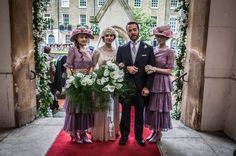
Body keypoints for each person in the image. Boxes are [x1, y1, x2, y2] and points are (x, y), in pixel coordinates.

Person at [116, 21, 155, 146]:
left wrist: (147, 87)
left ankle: (139, 137)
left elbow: (151, 69)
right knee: (125, 113)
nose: (133, 32)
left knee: (139, 114)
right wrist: (126, 67)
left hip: (141, 87)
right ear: (127, 32)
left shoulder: (148, 48)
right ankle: (124, 136)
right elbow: (117, 65)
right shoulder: (122, 48)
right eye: (130, 30)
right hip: (126, 87)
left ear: (138, 30)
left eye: (134, 30)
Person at [144, 25, 175, 143]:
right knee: (151, 107)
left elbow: (169, 71)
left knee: (159, 108)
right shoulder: (153, 49)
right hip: (152, 81)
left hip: (162, 83)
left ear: (166, 38)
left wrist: (154, 69)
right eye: (157, 36)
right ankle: (154, 130)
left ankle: (159, 133)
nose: (159, 38)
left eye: (161, 37)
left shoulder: (170, 51)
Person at [63, 27, 94, 144]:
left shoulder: (89, 50)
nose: (84, 39)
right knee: (75, 109)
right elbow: (68, 66)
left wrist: (89, 78)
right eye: (81, 37)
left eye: (86, 37)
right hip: (75, 83)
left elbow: (91, 66)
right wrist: (73, 81)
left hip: (86, 83)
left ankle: (83, 133)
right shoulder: (72, 50)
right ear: (76, 37)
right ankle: (74, 133)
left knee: (85, 109)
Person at [92, 27, 120, 142]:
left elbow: (119, 66)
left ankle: (112, 130)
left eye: (111, 35)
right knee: (102, 107)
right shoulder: (97, 51)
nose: (109, 37)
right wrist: (101, 74)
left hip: (113, 83)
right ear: (103, 37)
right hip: (100, 83)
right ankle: (100, 131)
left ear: (114, 37)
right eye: (107, 35)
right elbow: (93, 67)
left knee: (112, 107)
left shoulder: (117, 51)